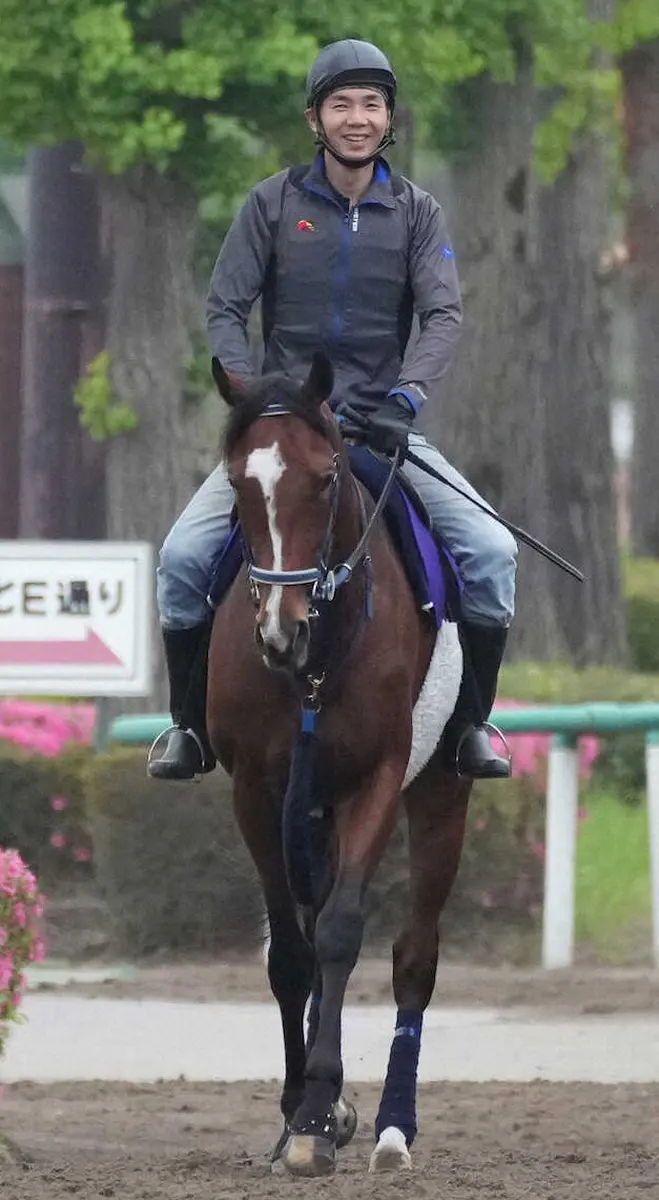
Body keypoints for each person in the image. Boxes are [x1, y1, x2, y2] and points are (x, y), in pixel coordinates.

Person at [148, 38, 517, 782]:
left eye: (371, 104)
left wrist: (405, 399)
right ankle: (187, 728)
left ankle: (470, 727)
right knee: (183, 558)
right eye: (341, 104)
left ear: (388, 120)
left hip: (381, 429)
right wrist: (253, 395)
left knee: (491, 552)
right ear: (315, 118)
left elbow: (441, 317)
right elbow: (225, 306)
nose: (357, 118)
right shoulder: (271, 204)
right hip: (286, 435)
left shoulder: (417, 212)